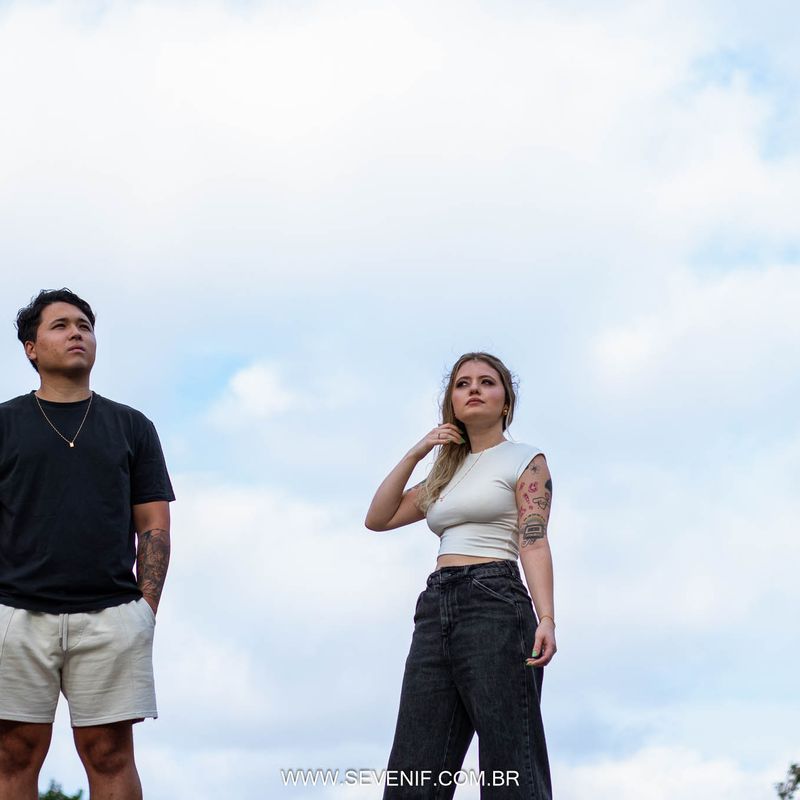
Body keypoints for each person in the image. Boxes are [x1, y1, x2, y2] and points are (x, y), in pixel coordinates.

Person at [0, 289, 175, 800]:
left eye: (84, 325)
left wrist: (144, 611)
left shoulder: (132, 425)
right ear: (32, 348)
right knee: (12, 754)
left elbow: (154, 525)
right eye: (60, 325)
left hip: (111, 615)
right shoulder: (5, 423)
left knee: (110, 754)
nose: (76, 333)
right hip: (14, 614)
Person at [365, 352, 555, 800]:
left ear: (505, 401)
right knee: (414, 768)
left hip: (495, 601)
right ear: (451, 401)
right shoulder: (444, 473)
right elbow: (378, 518)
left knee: (510, 762)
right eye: (462, 383)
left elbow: (533, 540)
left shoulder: (525, 460)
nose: (474, 389)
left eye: (487, 382)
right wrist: (417, 452)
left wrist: (547, 617)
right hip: (435, 608)